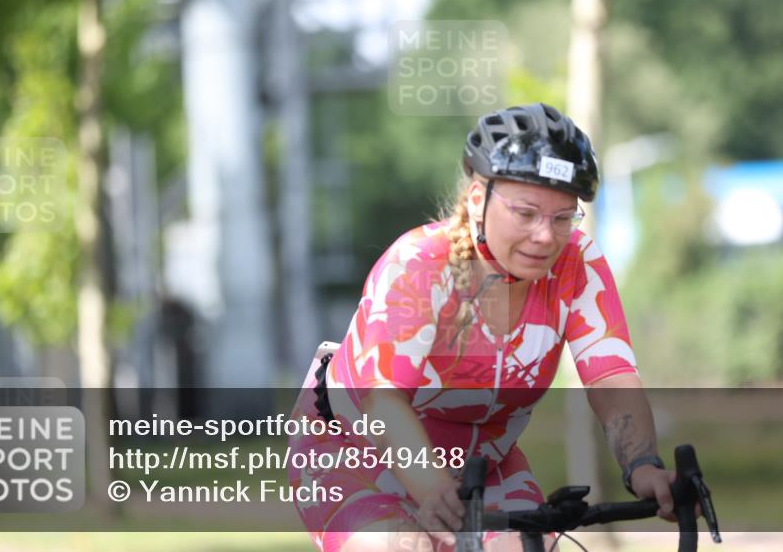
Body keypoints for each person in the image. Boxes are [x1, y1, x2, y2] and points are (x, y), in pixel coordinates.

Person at [288, 103, 674, 552]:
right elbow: (384, 399)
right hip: (354, 454)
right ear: (477, 200)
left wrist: (642, 465)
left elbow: (611, 377)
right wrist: (431, 490)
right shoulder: (419, 266)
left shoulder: (577, 263)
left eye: (562, 218)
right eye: (526, 213)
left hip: (480, 464)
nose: (546, 236)